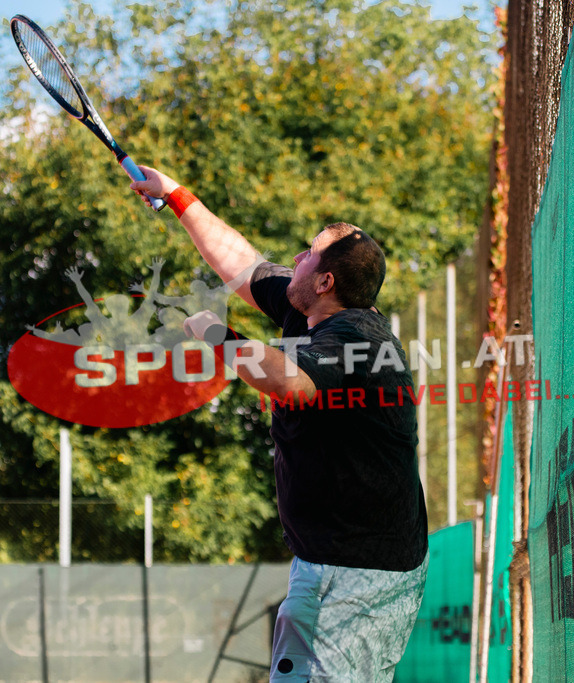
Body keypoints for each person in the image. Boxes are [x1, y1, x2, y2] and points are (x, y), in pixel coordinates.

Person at [129, 166, 428, 682]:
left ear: (325, 280)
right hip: (346, 565)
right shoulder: (309, 312)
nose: (295, 258)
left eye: (307, 253)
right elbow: (241, 264)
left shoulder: (358, 341)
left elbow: (290, 382)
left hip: (355, 577)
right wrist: (176, 195)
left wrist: (217, 335)